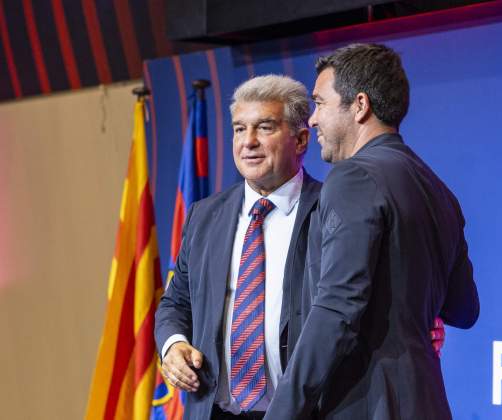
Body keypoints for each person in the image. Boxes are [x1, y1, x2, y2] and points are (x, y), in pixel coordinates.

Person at [155, 74, 446, 420]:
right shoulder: (205, 215)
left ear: (301, 139)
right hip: (216, 411)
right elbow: (176, 301)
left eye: (264, 127)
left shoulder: (336, 208)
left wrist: (415, 322)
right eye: (238, 129)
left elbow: (359, 304)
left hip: (308, 412)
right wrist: (173, 344)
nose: (248, 142)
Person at [265, 44, 480, 420]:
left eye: (320, 103)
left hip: (365, 404)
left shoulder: (353, 177)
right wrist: (409, 317)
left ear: (360, 105)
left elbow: (336, 309)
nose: (312, 120)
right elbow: (464, 308)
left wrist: (282, 412)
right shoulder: (439, 190)